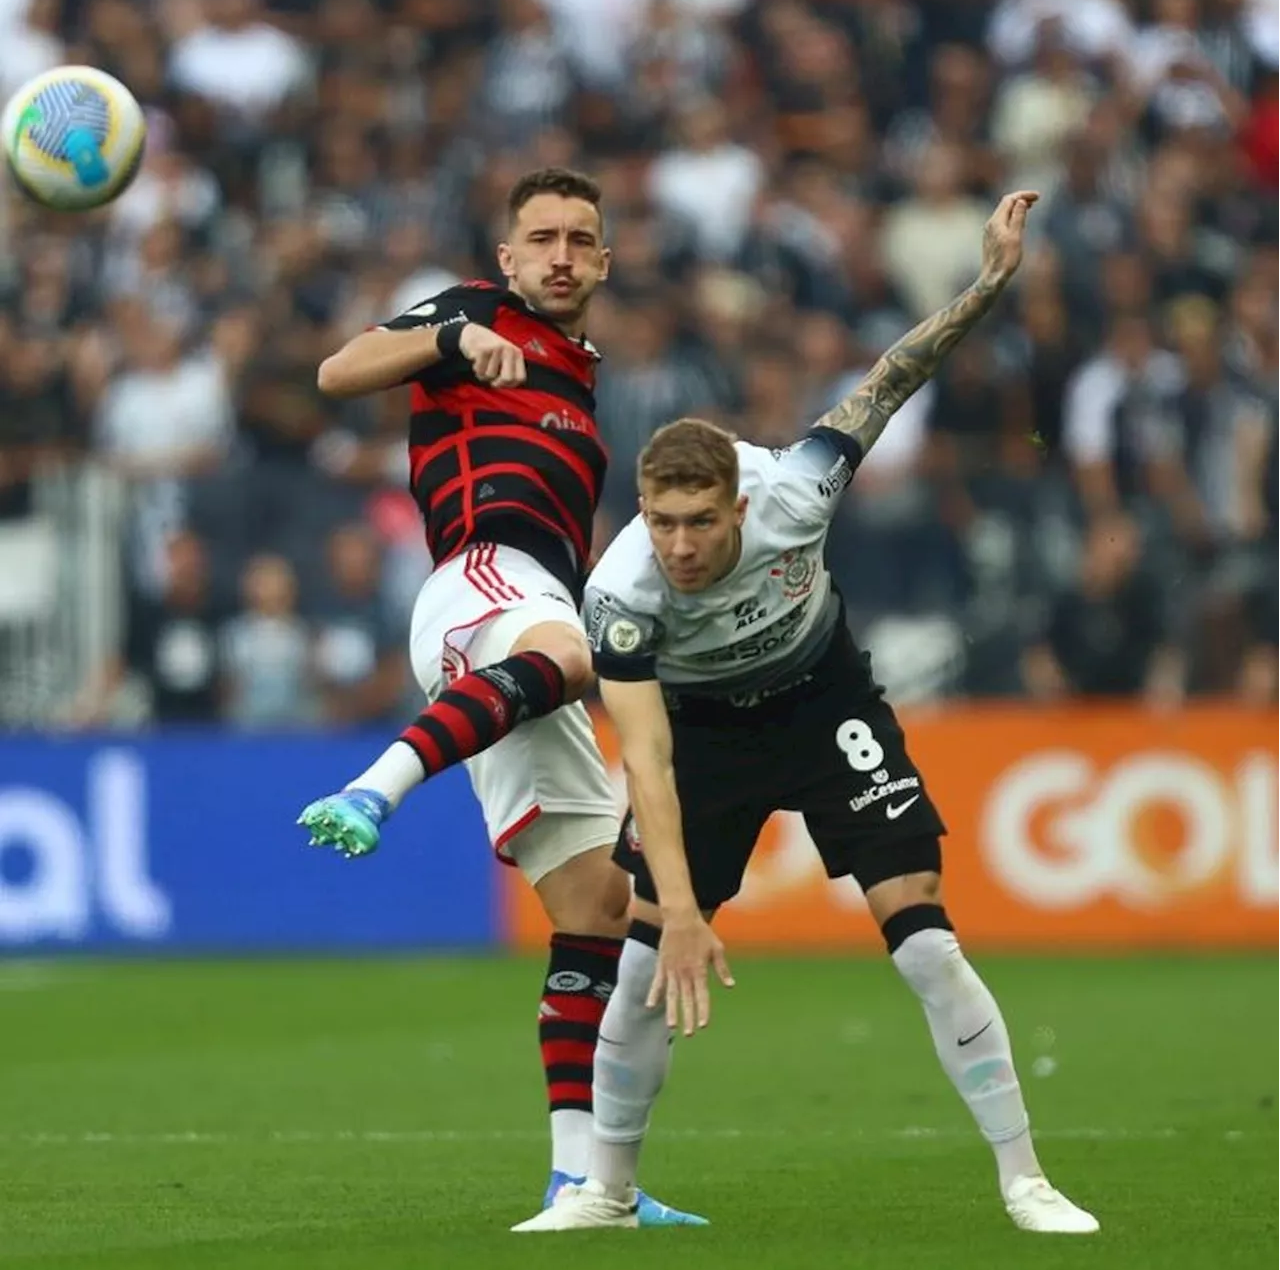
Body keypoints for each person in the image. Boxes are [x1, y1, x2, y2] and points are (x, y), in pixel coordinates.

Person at [515, 191, 1099, 1236]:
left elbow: (895, 374)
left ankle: (1023, 1178)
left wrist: (987, 283)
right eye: (661, 523)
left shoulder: (797, 487)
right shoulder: (621, 593)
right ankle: (603, 1188)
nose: (680, 546)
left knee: (921, 936)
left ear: (738, 506)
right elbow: (644, 756)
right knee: (646, 958)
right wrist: (685, 908)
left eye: (699, 523)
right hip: (701, 731)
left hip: (821, 699)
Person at [297, 167, 700, 1225]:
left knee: (596, 911)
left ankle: (582, 1182)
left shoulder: (578, 370)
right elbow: (339, 370)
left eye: (580, 238)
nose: (561, 253)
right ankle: (377, 785)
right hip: (480, 576)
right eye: (541, 237)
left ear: (605, 260)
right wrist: (445, 340)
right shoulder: (478, 309)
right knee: (573, 655)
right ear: (508, 255)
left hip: (529, 611)